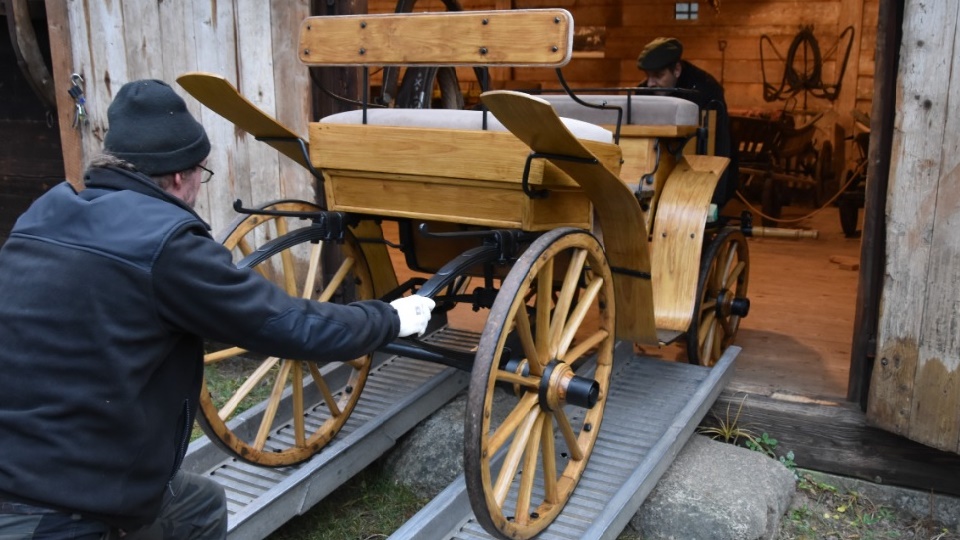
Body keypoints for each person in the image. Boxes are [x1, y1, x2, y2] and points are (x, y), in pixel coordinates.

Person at [0, 79, 435, 539]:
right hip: (56, 507)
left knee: (199, 507)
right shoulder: (167, 247)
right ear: (178, 177)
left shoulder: (43, 215)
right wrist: (391, 318)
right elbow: (288, 324)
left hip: (40, 457)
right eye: (201, 174)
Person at [637, 37, 739, 210]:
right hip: (658, 174)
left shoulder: (707, 92)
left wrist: (714, 199)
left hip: (696, 177)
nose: (650, 83)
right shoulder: (646, 90)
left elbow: (720, 145)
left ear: (676, 70)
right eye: (648, 76)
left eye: (658, 76)